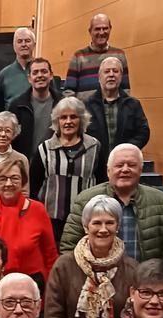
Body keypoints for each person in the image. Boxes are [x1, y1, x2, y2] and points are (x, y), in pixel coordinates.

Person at [44, 195, 138, 318]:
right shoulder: (64, 266)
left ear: (117, 227)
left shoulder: (132, 270)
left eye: (109, 222)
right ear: (86, 227)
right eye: (96, 223)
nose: (103, 229)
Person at [61, 143, 163, 263]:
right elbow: (69, 246)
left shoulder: (162, 201)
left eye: (131, 165)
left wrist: (158, 276)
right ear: (108, 171)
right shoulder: (86, 199)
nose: (125, 169)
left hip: (147, 281)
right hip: (97, 279)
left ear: (141, 170)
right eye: (119, 165)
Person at [0, 158, 57, 293]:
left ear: (23, 182)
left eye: (15, 178)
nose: (8, 183)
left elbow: (50, 255)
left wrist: (51, 291)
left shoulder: (38, 210)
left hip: (30, 289)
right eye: (3, 179)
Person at [30, 96, 101, 244]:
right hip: (51, 221)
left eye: (73, 117)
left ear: (81, 120)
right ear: (57, 121)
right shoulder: (44, 149)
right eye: (63, 117)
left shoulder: (95, 147)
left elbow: (102, 182)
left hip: (85, 221)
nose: (68, 121)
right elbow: (33, 187)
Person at [86, 57, 149, 182]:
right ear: (99, 78)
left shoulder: (133, 104)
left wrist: (125, 152)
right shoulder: (86, 105)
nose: (111, 75)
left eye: (115, 71)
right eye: (107, 71)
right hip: (94, 167)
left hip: (124, 168)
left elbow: (143, 132)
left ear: (121, 76)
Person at [63, 13, 130, 101]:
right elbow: (69, 92)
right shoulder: (78, 56)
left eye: (105, 28)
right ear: (90, 31)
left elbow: (125, 89)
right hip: (85, 113)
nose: (101, 32)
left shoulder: (119, 55)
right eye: (97, 29)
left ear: (110, 29)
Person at [9, 58, 66, 158]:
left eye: (44, 71)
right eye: (35, 72)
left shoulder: (63, 104)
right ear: (29, 78)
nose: (40, 75)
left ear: (51, 75)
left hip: (55, 164)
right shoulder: (17, 106)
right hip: (26, 165)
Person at [0, 27, 37, 111]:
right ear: (14, 46)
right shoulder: (4, 74)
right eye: (19, 41)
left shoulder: (42, 71)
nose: (24, 44)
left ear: (34, 44)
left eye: (27, 41)